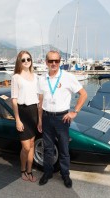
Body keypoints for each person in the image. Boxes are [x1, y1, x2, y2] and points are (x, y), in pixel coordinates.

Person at [37, 50, 87, 188]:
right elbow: (40, 102)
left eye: (56, 61)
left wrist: (74, 112)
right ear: (46, 62)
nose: (54, 63)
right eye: (51, 61)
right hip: (47, 117)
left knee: (64, 149)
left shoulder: (68, 77)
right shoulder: (42, 78)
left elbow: (83, 94)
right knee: (48, 148)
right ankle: (48, 172)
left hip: (62, 118)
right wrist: (40, 120)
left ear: (60, 62)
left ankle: (65, 174)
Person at [11, 50, 39, 182]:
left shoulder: (36, 77)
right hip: (22, 112)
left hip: (34, 112)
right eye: (23, 60)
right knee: (26, 147)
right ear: (19, 62)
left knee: (32, 144)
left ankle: (29, 170)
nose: (26, 61)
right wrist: (17, 119)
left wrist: (40, 119)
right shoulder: (16, 77)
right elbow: (14, 100)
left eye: (28, 59)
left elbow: (40, 98)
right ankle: (22, 170)